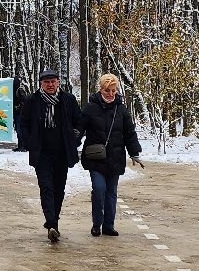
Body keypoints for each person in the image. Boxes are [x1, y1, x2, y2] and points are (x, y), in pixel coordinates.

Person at [15, 70, 82, 243]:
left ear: (58, 82)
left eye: (53, 81)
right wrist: (29, 142)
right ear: (41, 84)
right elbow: (23, 123)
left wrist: (75, 137)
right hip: (42, 153)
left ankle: (54, 224)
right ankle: (51, 223)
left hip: (62, 152)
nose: (50, 85)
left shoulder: (68, 100)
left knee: (59, 189)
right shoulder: (32, 101)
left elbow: (79, 122)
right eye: (47, 82)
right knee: (46, 187)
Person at [78, 73, 144, 236]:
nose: (111, 94)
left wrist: (134, 152)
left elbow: (129, 132)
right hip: (96, 157)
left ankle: (108, 226)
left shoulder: (121, 109)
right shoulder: (90, 108)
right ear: (101, 89)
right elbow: (79, 129)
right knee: (99, 189)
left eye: (113, 90)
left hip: (115, 158)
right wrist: (70, 145)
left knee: (111, 192)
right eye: (108, 90)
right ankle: (97, 223)